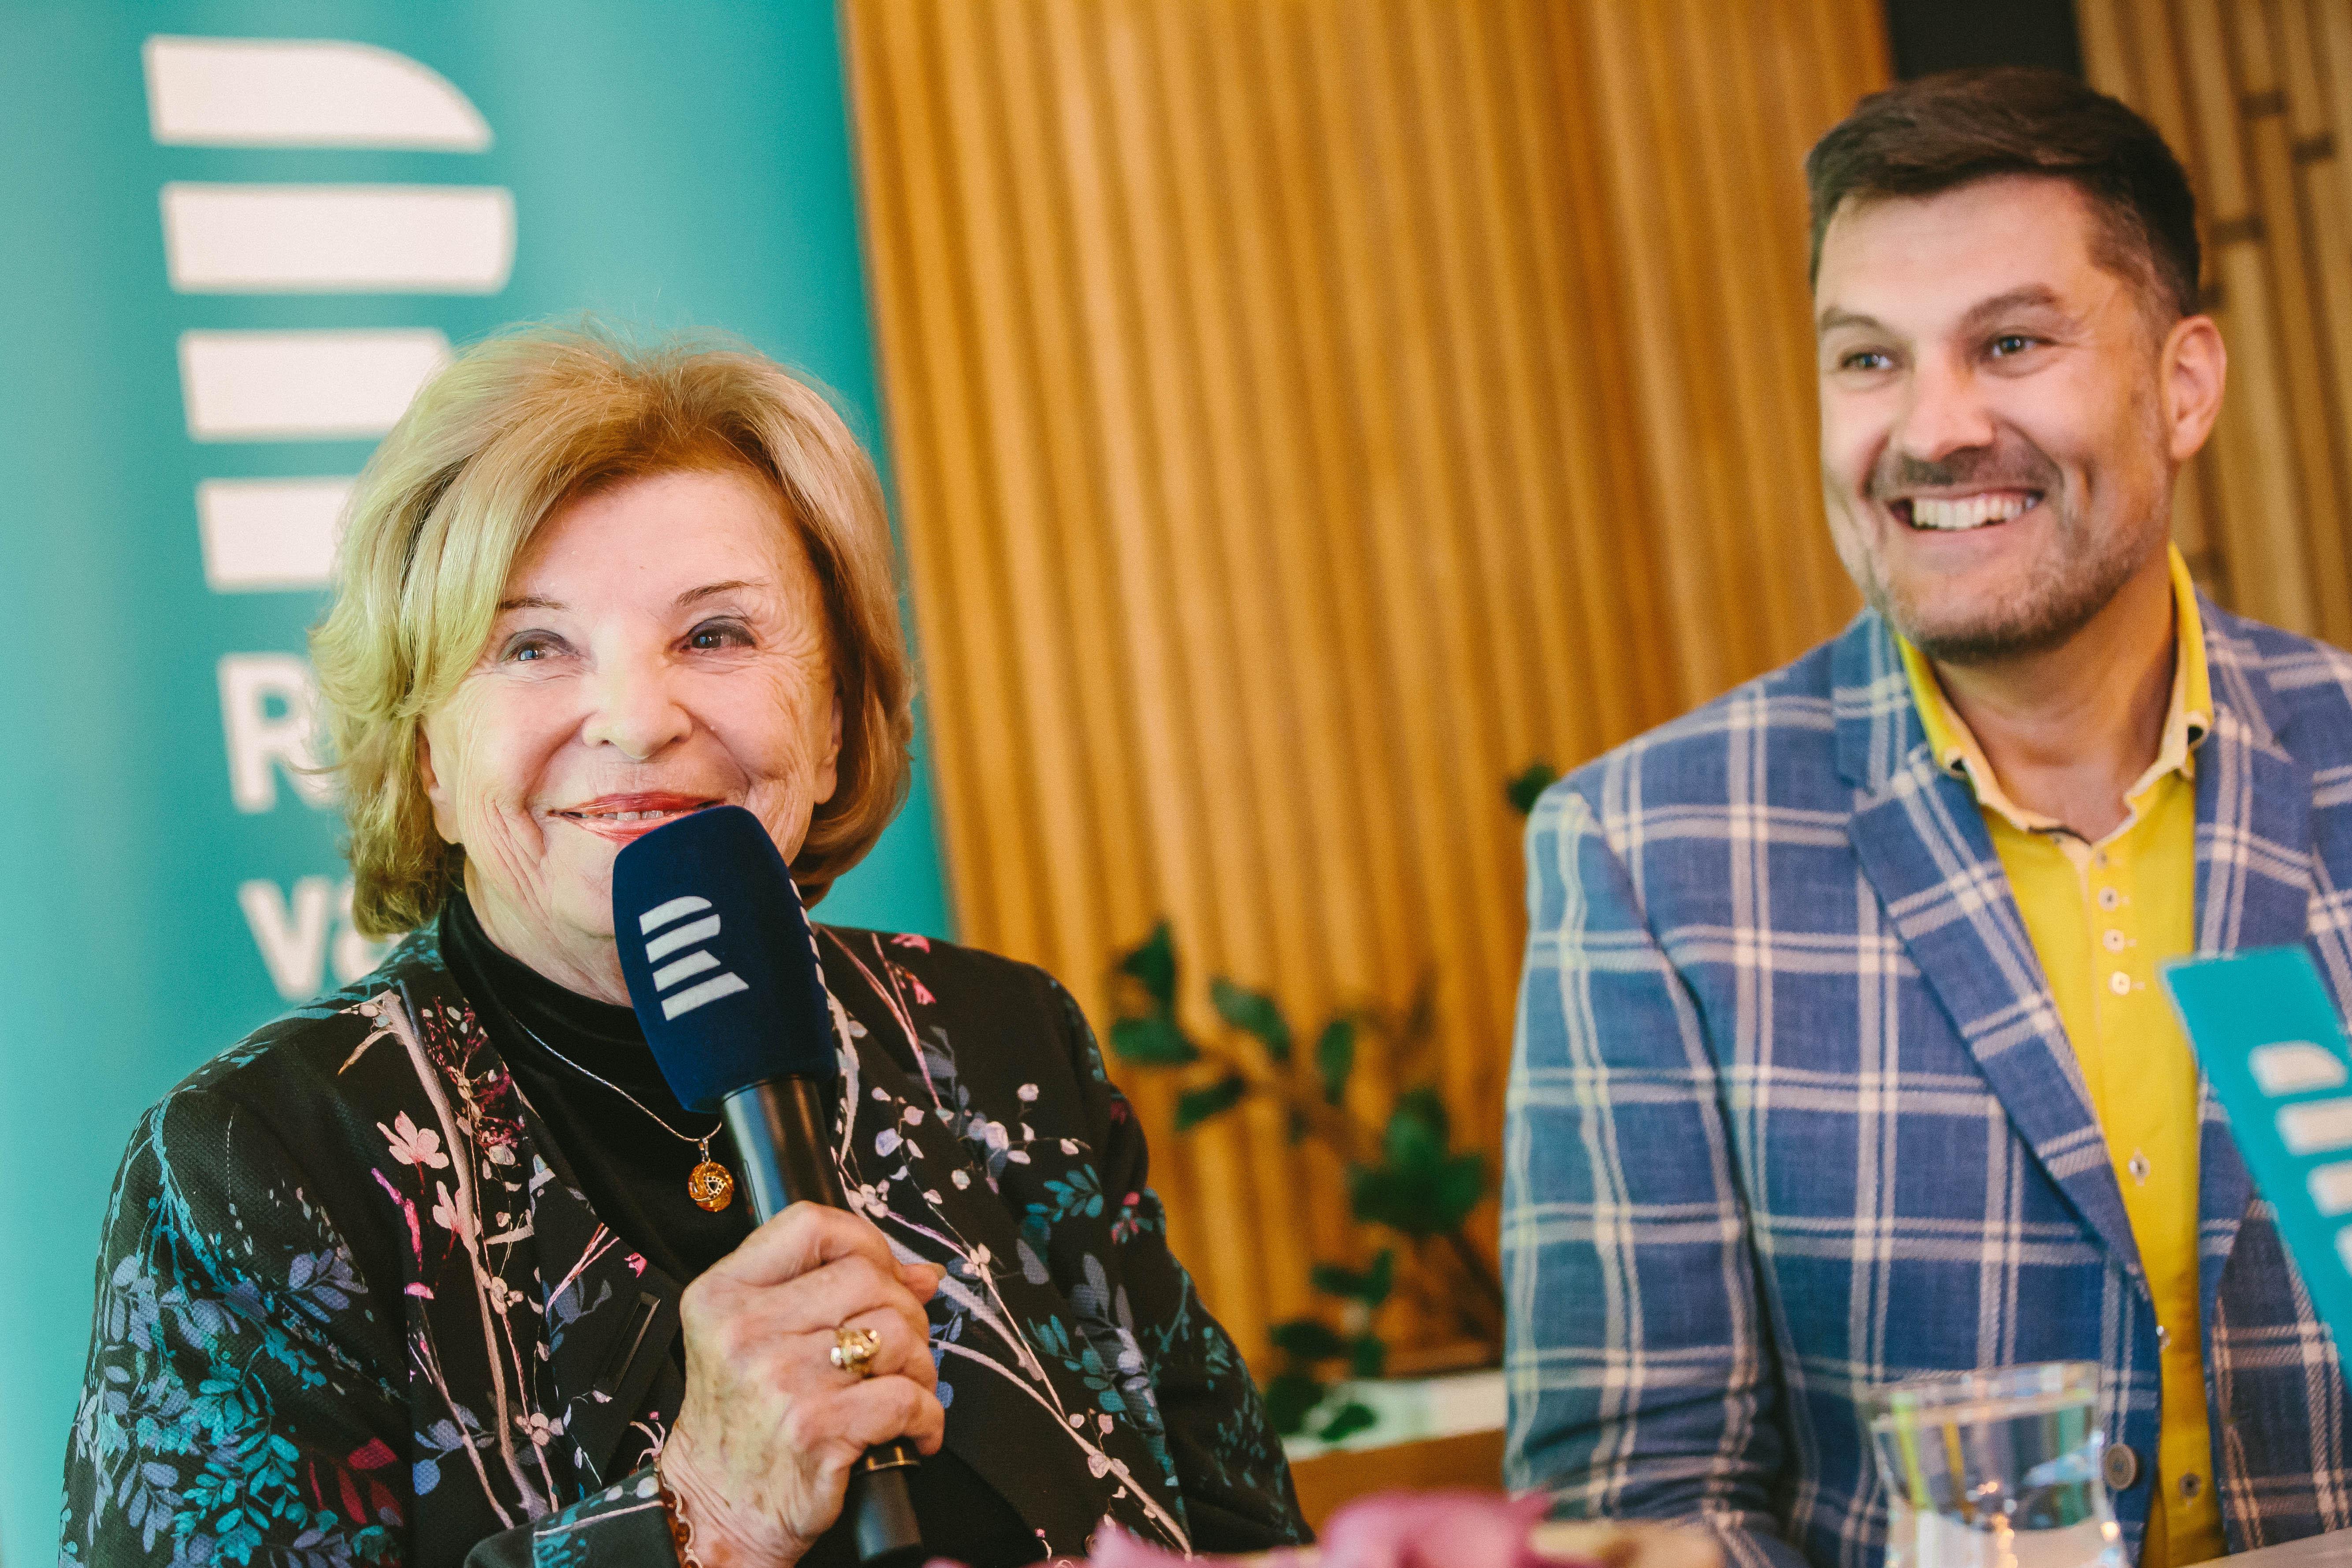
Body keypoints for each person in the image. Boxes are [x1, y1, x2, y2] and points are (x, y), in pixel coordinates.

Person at [62, 325, 1306, 1568]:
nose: (637, 719)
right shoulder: (256, 1163)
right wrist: (704, 1514)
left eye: (714, 635)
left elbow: (1246, 1537)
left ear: (833, 718)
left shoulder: (998, 1045)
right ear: (428, 755)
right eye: (533, 646)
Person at [1503, 66, 2352, 1568]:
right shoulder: (1647, 853)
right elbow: (1640, 1493)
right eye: (1867, 360)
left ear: (2182, 385)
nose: (1933, 428)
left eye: (2010, 344)